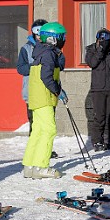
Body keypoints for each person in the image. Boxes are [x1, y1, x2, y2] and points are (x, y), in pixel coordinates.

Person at [21, 22, 68, 179]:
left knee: (38, 131)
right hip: (44, 98)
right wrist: (58, 91)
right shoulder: (48, 54)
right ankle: (41, 167)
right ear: (53, 39)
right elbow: (46, 76)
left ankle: (29, 166)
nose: (64, 40)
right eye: (62, 37)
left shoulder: (43, 52)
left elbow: (50, 72)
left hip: (38, 97)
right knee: (49, 130)